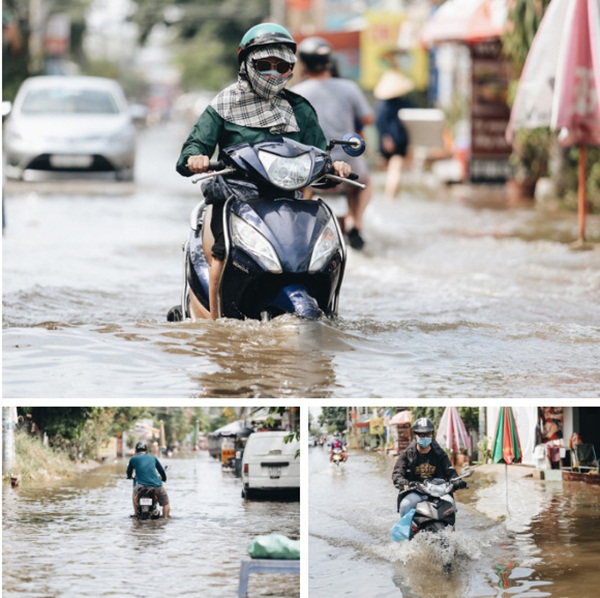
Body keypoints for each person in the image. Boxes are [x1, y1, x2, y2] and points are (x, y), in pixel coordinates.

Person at [176, 23, 352, 320]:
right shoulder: (223, 105)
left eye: (280, 65)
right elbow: (192, 149)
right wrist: (196, 158)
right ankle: (217, 326)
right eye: (264, 64)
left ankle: (331, 314)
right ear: (246, 64)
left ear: (290, 69)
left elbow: (319, 154)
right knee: (221, 253)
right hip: (233, 198)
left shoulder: (300, 109)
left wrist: (335, 166)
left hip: (290, 198)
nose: (272, 72)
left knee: (332, 254)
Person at [292, 37, 374, 250]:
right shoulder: (349, 87)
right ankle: (356, 223)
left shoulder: (297, 93)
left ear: (304, 64)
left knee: (300, 186)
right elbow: (367, 119)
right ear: (330, 62)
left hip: (313, 164)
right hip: (347, 163)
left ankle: (305, 226)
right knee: (365, 183)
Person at [392, 418, 465, 517]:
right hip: (416, 491)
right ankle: (406, 530)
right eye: (421, 435)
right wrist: (402, 481)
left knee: (451, 503)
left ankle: (451, 531)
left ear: (432, 435)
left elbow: (449, 470)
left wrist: (456, 480)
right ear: (415, 435)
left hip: (438, 492)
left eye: (427, 434)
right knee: (405, 505)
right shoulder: (407, 454)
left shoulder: (439, 453)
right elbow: (397, 472)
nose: (424, 437)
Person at [373, 69, 414, 201]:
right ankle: (390, 195)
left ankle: (393, 194)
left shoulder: (382, 106)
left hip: (389, 141)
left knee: (394, 168)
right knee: (396, 167)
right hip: (397, 141)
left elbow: (379, 124)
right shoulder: (401, 104)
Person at [127, 441, 170, 518]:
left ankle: (136, 513)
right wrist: (164, 478)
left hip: (141, 487)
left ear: (136, 451)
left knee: (134, 493)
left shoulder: (133, 459)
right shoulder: (153, 457)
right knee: (165, 503)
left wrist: (129, 476)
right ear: (146, 451)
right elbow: (161, 471)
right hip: (156, 486)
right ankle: (165, 518)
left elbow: (129, 471)